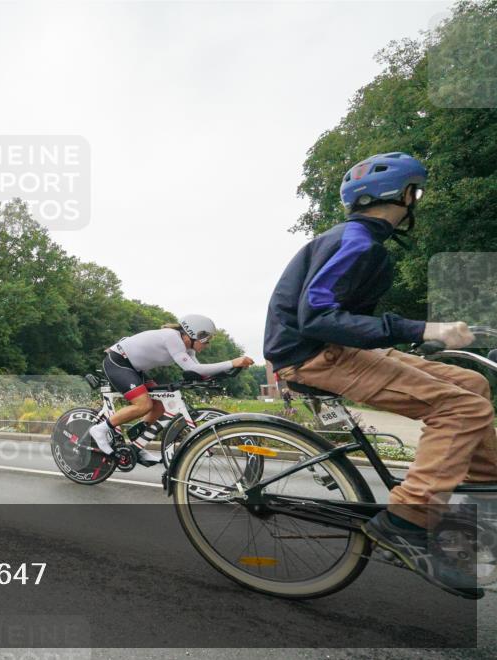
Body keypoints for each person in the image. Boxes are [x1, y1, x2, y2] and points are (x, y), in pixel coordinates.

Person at [263, 152, 496, 598]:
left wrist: (423, 337)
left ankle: (482, 487)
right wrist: (421, 328)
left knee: (472, 384)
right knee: (461, 406)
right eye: (416, 193)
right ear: (406, 194)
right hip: (314, 354)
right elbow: (317, 317)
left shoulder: (357, 240)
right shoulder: (358, 242)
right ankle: (406, 521)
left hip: (335, 347)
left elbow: (345, 317)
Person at [87, 315, 254, 466]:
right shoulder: (171, 337)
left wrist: (225, 374)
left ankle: (137, 442)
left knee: (159, 405)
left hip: (134, 368)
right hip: (118, 363)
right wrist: (232, 362)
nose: (207, 345)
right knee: (143, 405)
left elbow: (199, 372)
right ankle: (100, 429)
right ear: (195, 334)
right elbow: (193, 368)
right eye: (206, 340)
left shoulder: (187, 348)